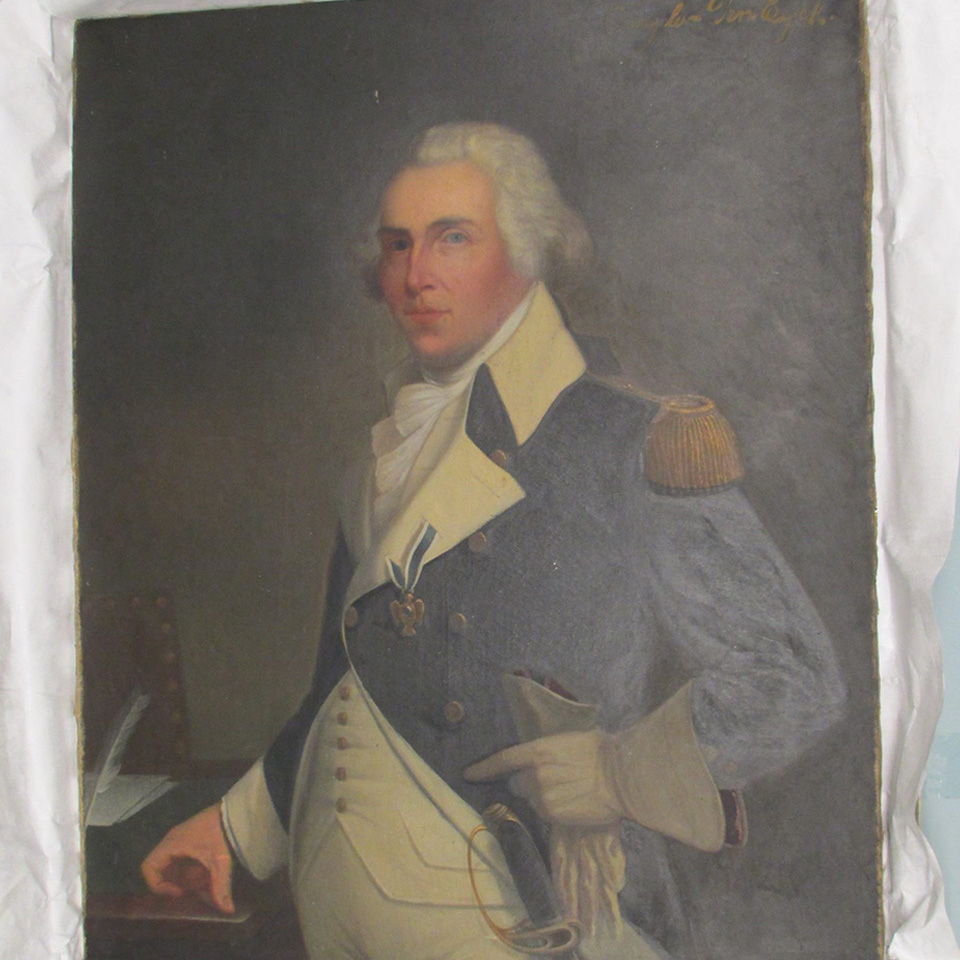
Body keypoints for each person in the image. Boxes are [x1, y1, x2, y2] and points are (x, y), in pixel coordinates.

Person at [142, 122, 846, 959]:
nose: (416, 276)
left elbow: (791, 675)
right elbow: (350, 681)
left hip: (520, 907)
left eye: (453, 238)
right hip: (337, 898)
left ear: (527, 249)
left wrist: (617, 772)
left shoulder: (626, 440)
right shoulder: (383, 454)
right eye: (398, 245)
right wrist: (234, 828)